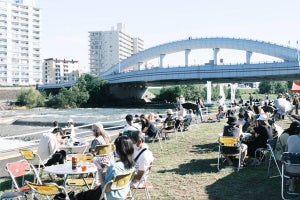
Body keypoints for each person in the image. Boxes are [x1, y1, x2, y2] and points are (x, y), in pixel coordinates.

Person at [75, 135, 135, 200]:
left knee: (80, 196)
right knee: (90, 192)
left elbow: (105, 189)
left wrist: (100, 171)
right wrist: (110, 166)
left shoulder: (114, 167)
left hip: (108, 196)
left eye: (115, 148)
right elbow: (116, 176)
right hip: (121, 195)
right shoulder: (131, 166)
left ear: (119, 150)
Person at [286, 128, 300, 192]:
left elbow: (286, 151)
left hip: (290, 170)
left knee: (292, 161)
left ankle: (291, 186)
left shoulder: (290, 138)